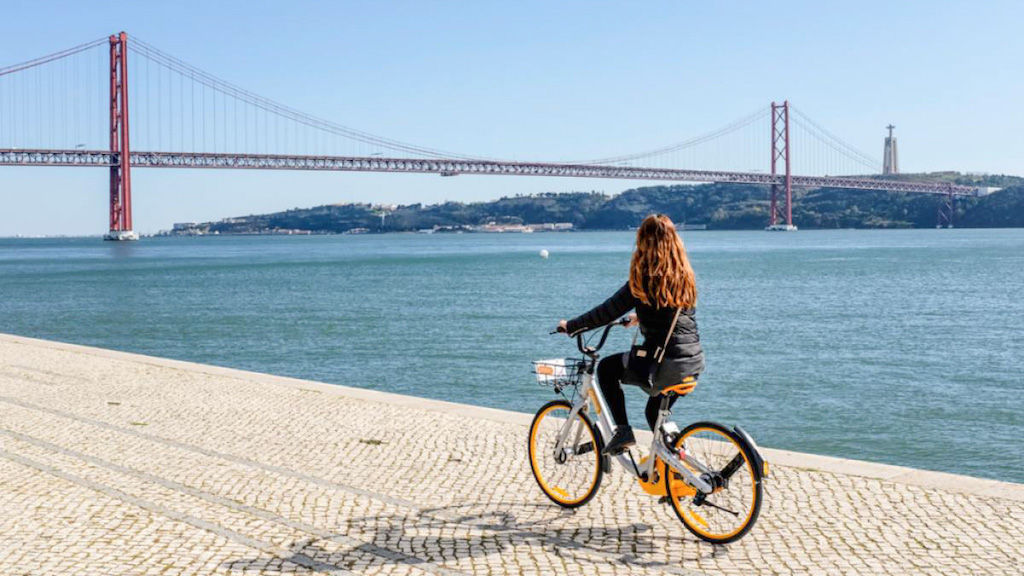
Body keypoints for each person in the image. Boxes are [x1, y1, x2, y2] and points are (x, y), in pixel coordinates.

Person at [557, 214, 704, 456]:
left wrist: (571, 325)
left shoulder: (644, 278)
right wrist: (643, 316)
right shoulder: (684, 275)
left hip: (664, 363)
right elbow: (677, 315)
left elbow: (605, 312)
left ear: (644, 242)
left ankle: (623, 431)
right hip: (692, 361)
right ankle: (678, 465)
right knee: (653, 413)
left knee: (606, 369)